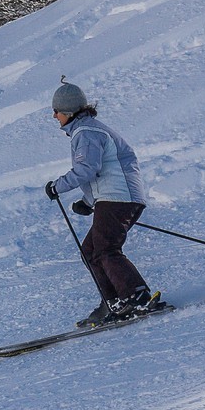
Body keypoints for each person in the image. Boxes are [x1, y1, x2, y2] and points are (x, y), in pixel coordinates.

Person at [44, 79, 166, 327]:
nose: (54, 116)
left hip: (118, 198)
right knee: (90, 251)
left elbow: (87, 169)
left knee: (105, 249)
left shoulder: (86, 133)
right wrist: (89, 203)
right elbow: (99, 171)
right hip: (115, 197)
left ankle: (137, 296)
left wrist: (57, 186)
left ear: (67, 111)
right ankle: (116, 301)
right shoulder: (87, 129)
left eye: (56, 111)